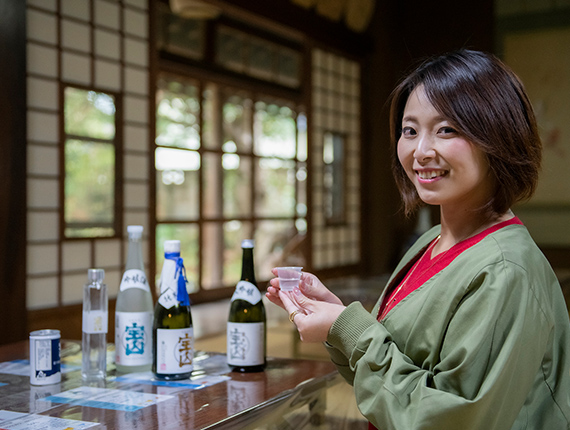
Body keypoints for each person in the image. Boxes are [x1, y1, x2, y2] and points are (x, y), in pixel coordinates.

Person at [266, 49, 570, 429]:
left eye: (446, 130)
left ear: (498, 136)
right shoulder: (430, 241)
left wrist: (346, 328)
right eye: (410, 131)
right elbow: (394, 381)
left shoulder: (505, 270)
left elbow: (451, 419)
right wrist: (339, 319)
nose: (421, 151)